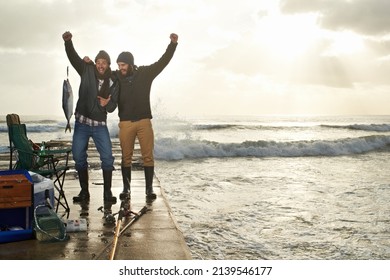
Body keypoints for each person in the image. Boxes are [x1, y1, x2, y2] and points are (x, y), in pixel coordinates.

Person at [114, 33, 179, 200]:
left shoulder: (145, 73)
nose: (120, 68)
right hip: (125, 123)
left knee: (147, 156)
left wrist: (172, 44)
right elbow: (99, 70)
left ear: (130, 64)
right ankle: (126, 189)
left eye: (123, 65)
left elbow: (162, 62)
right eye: (119, 65)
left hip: (144, 121)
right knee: (125, 157)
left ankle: (149, 189)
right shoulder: (116, 76)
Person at [62, 31, 118, 204]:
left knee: (107, 158)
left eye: (104, 63)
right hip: (82, 123)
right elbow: (73, 58)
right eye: (98, 62)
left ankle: (107, 193)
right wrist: (68, 42)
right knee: (78, 156)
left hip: (100, 124)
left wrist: (106, 104)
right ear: (95, 63)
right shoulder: (86, 69)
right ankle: (84, 191)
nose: (101, 65)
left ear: (108, 65)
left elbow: (113, 106)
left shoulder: (113, 81)